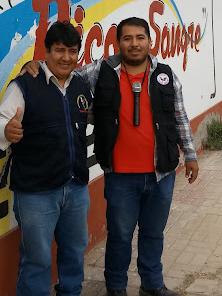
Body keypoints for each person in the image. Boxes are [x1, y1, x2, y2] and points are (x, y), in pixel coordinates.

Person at [23, 17, 199, 296]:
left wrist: (190, 154)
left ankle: (152, 283)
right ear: (118, 43)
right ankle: (116, 286)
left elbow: (179, 115)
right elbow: (63, 73)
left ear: (149, 42)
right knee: (119, 235)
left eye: (140, 38)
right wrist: (33, 67)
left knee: (153, 233)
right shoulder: (100, 72)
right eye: (127, 38)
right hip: (120, 174)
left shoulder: (165, 75)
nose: (134, 44)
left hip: (161, 172)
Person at [0, 21, 93, 296]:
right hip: (36, 193)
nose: (66, 57)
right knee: (37, 260)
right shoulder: (24, 85)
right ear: (45, 51)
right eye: (59, 50)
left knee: (74, 252)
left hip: (77, 188)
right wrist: (6, 130)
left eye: (72, 51)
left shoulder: (80, 85)